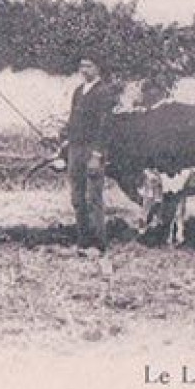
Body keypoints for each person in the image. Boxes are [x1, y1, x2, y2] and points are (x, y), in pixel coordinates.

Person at [66, 57, 120, 250]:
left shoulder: (104, 92)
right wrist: (66, 141)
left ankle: (99, 244)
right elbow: (72, 120)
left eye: (88, 65)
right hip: (75, 150)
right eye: (81, 65)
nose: (84, 69)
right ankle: (83, 241)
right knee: (76, 198)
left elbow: (105, 127)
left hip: (92, 150)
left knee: (93, 198)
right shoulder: (78, 92)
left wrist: (97, 155)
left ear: (98, 68)